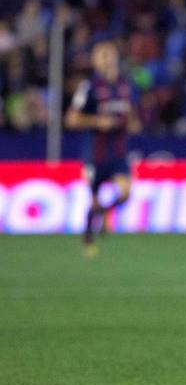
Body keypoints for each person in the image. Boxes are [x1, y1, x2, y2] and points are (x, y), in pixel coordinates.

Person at [65, 38, 141, 258]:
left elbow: (133, 114)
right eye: (102, 55)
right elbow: (71, 119)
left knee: (126, 192)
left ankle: (106, 214)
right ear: (95, 61)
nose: (107, 60)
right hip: (95, 153)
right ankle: (88, 238)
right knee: (94, 201)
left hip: (118, 152)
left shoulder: (126, 85)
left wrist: (134, 123)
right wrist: (98, 122)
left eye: (110, 54)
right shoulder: (89, 87)